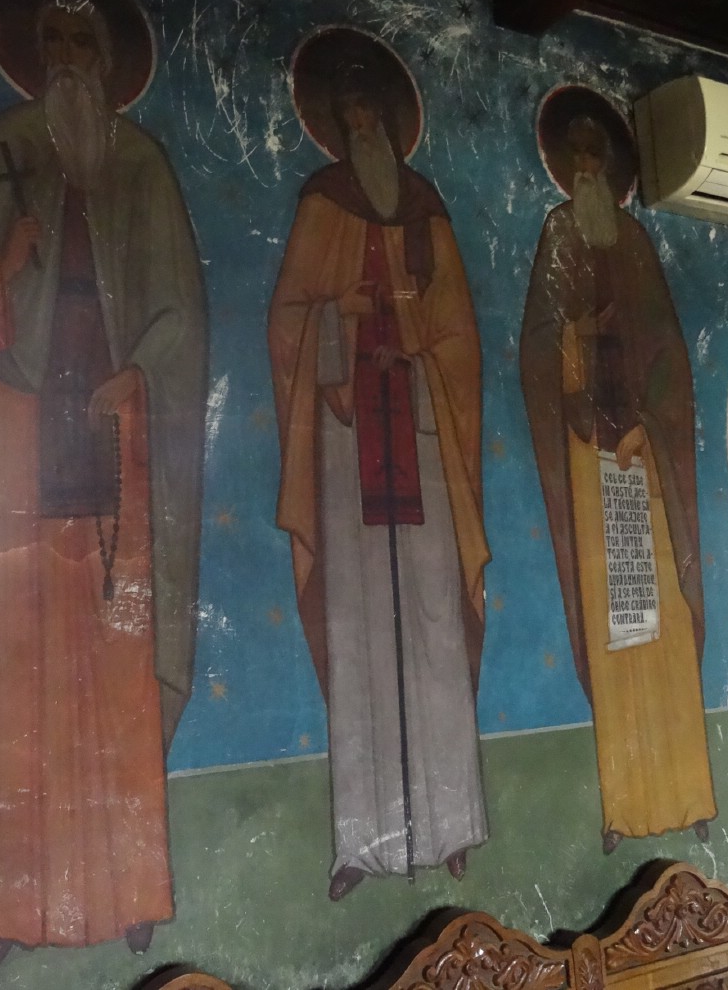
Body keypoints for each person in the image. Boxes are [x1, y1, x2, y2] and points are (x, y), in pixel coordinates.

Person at [0, 0, 206, 982]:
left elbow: (182, 311)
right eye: (53, 41)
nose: (68, 58)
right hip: (12, 442)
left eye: (84, 41)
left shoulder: (142, 164)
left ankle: (130, 888)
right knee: (11, 674)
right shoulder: (7, 146)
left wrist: (139, 371)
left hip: (116, 442)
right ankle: (5, 905)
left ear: (110, 59)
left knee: (117, 666)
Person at [269, 52, 490, 901]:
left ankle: (452, 825)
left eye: (374, 118)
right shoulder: (322, 202)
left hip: (422, 440)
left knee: (435, 623)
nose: (364, 131)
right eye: (350, 120)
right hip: (344, 439)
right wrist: (340, 316)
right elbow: (287, 319)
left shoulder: (428, 210)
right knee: (358, 629)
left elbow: (460, 336)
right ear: (337, 129)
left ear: (395, 127)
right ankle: (361, 843)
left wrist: (418, 351)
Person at [519, 109, 716, 854]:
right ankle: (623, 809)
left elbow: (666, 349)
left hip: (643, 455)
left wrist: (647, 425)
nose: (586, 171)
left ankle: (690, 795)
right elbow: (539, 342)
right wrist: (575, 366)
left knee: (664, 626)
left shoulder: (633, 240)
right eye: (575, 159)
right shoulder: (557, 235)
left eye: (595, 158)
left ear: (611, 169)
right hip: (588, 457)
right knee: (612, 626)